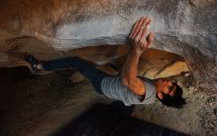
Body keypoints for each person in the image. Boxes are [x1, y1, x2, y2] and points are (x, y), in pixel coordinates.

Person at [25, 16, 186, 108]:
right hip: (110, 85)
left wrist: (136, 49)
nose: (169, 82)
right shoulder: (150, 92)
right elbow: (126, 80)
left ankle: (38, 66)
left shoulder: (149, 91)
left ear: (160, 95)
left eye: (169, 88)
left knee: (74, 61)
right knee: (108, 65)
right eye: (173, 84)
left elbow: (128, 80)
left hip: (101, 83)